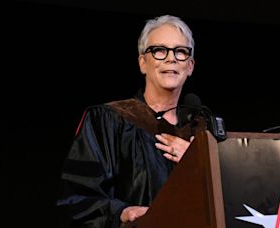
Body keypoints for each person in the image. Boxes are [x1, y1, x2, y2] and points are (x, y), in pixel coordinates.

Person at [57, 15, 202, 228]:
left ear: (190, 66)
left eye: (180, 51)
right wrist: (121, 212)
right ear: (143, 62)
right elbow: (77, 198)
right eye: (159, 50)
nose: (171, 58)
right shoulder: (108, 120)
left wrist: (198, 163)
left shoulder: (203, 132)